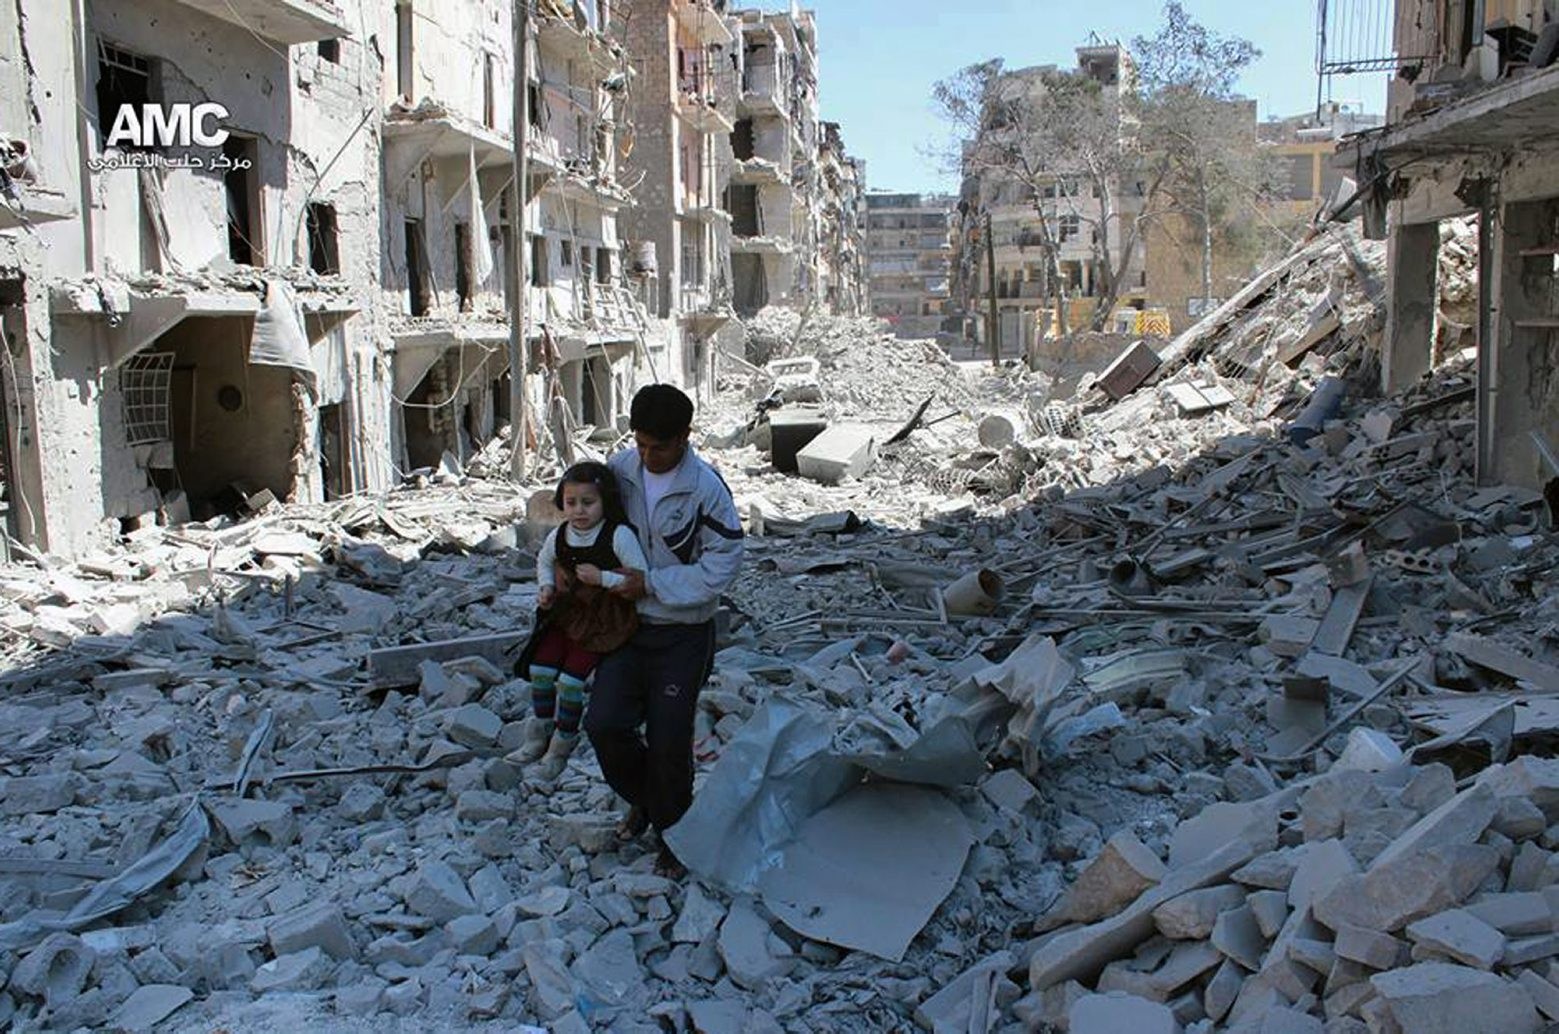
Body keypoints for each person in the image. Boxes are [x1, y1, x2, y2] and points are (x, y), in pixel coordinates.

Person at [585, 384, 744, 877]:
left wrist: (650, 585)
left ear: (684, 438)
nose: (648, 455)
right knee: (605, 724)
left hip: (683, 635)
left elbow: (724, 565)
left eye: (660, 446)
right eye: (641, 444)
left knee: (670, 739)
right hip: (626, 631)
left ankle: (676, 838)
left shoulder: (706, 489)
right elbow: (591, 528)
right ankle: (651, 801)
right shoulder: (620, 473)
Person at [512, 462, 649, 782]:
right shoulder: (561, 535)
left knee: (571, 683)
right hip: (565, 615)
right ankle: (538, 736)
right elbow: (545, 561)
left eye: (588, 503)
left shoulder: (619, 536)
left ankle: (562, 744)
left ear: (606, 502)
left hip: (603, 622)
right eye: (571, 503)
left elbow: (641, 577)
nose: (579, 511)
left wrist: (603, 578)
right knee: (540, 672)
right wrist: (545, 587)